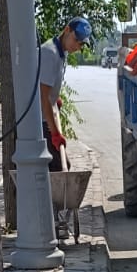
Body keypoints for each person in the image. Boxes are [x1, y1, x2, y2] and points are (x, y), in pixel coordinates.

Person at [39, 17, 92, 171]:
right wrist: (55, 133)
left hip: (44, 117)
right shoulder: (50, 53)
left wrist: (55, 98)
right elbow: (43, 97)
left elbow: (49, 89)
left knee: (57, 167)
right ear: (67, 30)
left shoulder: (62, 53)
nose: (78, 46)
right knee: (60, 167)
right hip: (38, 122)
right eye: (76, 40)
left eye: (81, 44)